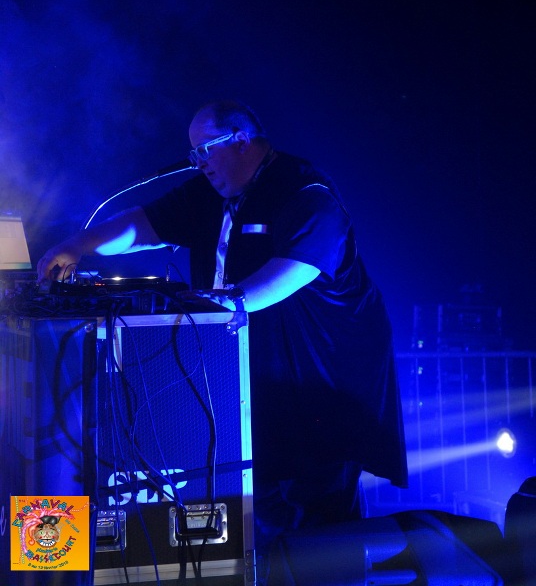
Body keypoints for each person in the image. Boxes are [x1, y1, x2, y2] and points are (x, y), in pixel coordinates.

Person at [38, 99, 407, 575]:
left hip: (318, 384)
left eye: (206, 150)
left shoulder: (305, 192)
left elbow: (293, 270)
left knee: (318, 517)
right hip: (253, 382)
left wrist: (222, 304)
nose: (199, 163)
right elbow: (141, 225)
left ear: (242, 140)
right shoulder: (211, 193)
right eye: (194, 153)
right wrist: (76, 245)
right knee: (254, 506)